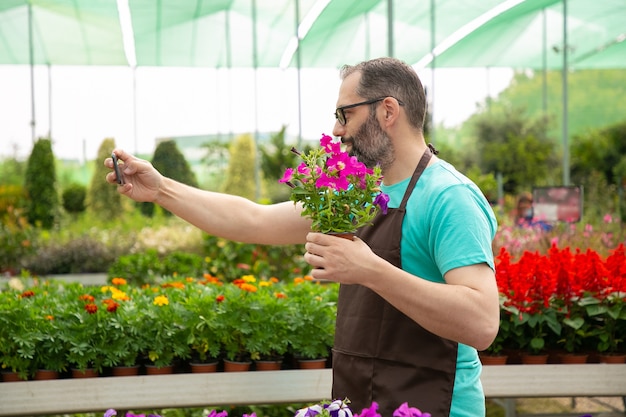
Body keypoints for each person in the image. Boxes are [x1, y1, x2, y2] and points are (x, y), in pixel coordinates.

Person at [105, 57, 500, 417]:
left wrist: (370, 270)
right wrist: (161, 190)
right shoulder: (355, 193)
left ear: (388, 110)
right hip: (363, 402)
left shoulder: (449, 198)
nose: (336, 129)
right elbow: (253, 220)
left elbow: (482, 322)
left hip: (439, 405)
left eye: (345, 114)